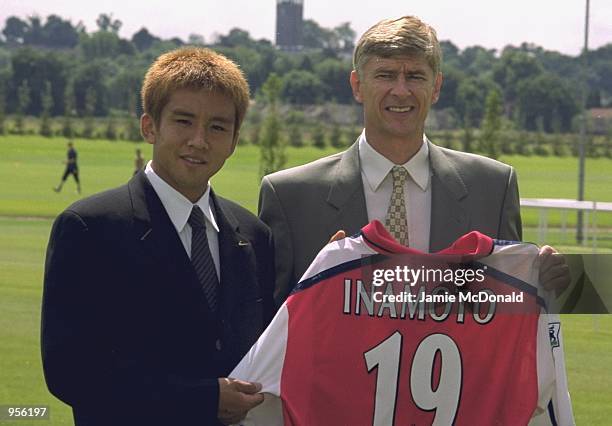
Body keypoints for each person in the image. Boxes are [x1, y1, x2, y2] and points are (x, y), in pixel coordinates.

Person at [259, 16, 569, 305]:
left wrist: (543, 284)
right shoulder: (291, 198)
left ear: (436, 87)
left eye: (416, 76)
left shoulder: (493, 189)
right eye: (386, 75)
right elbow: (270, 331)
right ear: (357, 86)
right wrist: (322, 282)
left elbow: (510, 313)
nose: (401, 90)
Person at [42, 47, 274, 426]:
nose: (199, 140)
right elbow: (71, 373)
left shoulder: (253, 235)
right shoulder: (89, 228)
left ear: (234, 140)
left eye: (218, 126)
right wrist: (204, 399)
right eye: (183, 121)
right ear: (149, 126)